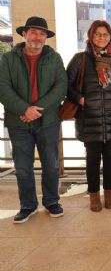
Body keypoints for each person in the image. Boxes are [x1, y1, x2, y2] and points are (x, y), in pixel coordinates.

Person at [0, 17, 67, 223]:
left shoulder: (54, 58)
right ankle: (28, 205)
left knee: (51, 165)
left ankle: (51, 201)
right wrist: (24, 109)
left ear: (46, 37)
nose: (37, 37)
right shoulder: (8, 59)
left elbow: (61, 87)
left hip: (47, 121)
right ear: (24, 34)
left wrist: (36, 110)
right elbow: (3, 88)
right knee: (22, 167)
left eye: (42, 34)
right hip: (19, 122)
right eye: (33, 32)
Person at [66, 20, 111, 212]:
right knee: (92, 160)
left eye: (105, 34)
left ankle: (109, 193)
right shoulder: (80, 59)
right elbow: (66, 86)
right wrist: (81, 99)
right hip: (89, 118)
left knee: (110, 158)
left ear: (110, 37)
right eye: (98, 34)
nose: (102, 38)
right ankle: (94, 195)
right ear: (91, 37)